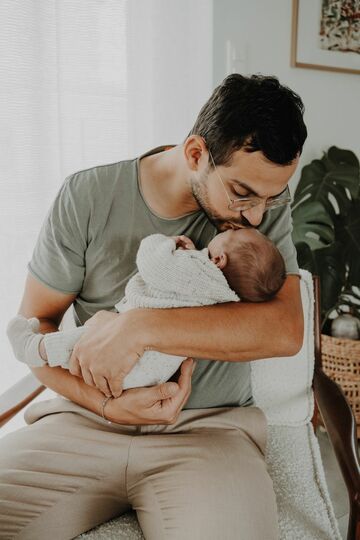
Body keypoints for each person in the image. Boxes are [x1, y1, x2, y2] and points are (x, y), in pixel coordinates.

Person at [0, 73, 307, 540]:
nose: (257, 216)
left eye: (272, 197)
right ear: (195, 154)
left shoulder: (261, 215)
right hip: (82, 424)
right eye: (243, 194)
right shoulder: (86, 196)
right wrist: (105, 405)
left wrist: (142, 328)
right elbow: (35, 324)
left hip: (209, 434)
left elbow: (283, 331)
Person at [6, 227, 286, 390]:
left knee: (79, 343)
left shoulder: (199, 273)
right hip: (156, 371)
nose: (229, 227)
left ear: (219, 260)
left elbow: (153, 265)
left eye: (232, 232)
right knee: (97, 326)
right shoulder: (225, 296)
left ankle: (34, 348)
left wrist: (165, 243)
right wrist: (190, 254)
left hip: (135, 358)